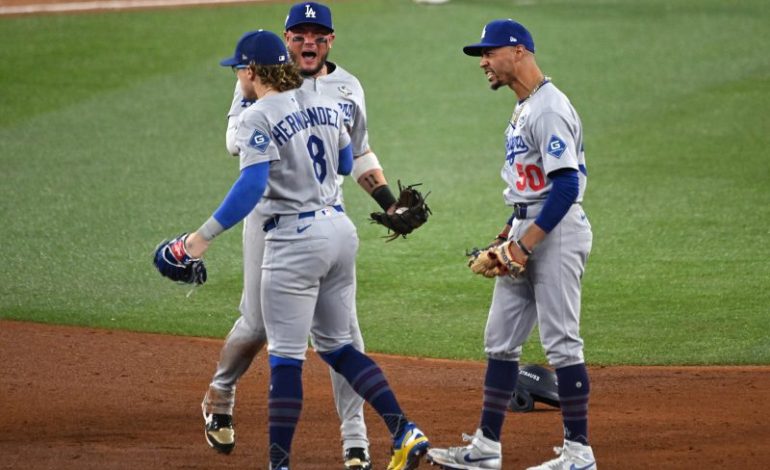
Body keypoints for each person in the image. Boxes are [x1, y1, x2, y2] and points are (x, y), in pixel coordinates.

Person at [156, 29, 430, 470]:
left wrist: (198, 240)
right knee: (338, 346)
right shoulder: (322, 104)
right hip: (338, 230)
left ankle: (286, 461)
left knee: (286, 357)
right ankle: (403, 429)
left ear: (250, 70)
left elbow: (252, 183)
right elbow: (344, 161)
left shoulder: (261, 114)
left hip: (291, 237)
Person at [426, 19, 596, 470]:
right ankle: (486, 448)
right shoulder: (525, 107)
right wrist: (506, 236)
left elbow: (564, 188)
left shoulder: (549, 109)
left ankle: (580, 453)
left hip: (555, 232)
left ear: (518, 51)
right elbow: (529, 187)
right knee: (500, 341)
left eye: (489, 52)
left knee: (562, 343)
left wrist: (524, 247)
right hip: (528, 228)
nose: (482, 62)